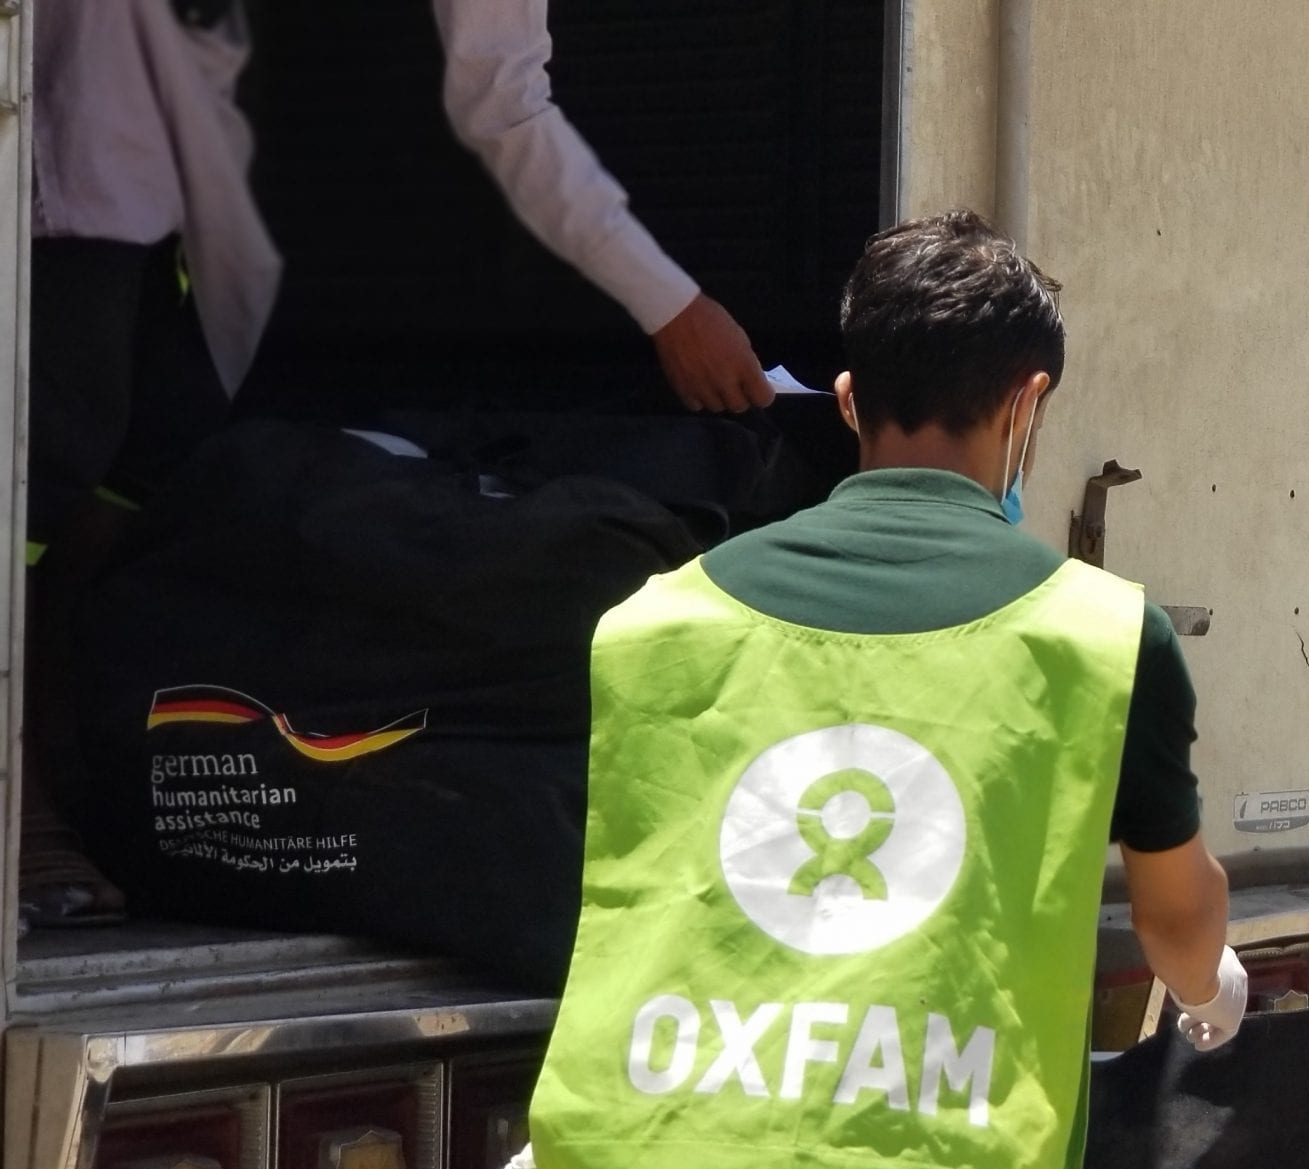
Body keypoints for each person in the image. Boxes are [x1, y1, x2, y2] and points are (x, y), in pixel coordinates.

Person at [515, 211, 1248, 1169]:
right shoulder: (1104, 634)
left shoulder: (653, 619)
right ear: (1027, 403)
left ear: (850, 398)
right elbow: (1175, 921)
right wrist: (1213, 994)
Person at [20, 0, 778, 926]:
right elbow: (503, 101)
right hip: (68, 141)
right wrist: (672, 308)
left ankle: (64, 774)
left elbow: (494, 88)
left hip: (182, 176)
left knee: (149, 462)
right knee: (52, 457)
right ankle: (27, 803)